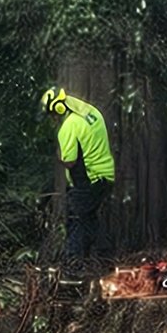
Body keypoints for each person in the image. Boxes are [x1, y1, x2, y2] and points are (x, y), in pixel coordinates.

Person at [43, 84, 117, 267]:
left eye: (52, 114)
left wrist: (59, 155)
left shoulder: (69, 126)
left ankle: (72, 265)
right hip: (105, 176)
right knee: (88, 218)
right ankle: (106, 257)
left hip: (89, 179)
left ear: (59, 109)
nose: (53, 119)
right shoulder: (91, 112)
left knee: (75, 217)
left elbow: (69, 161)